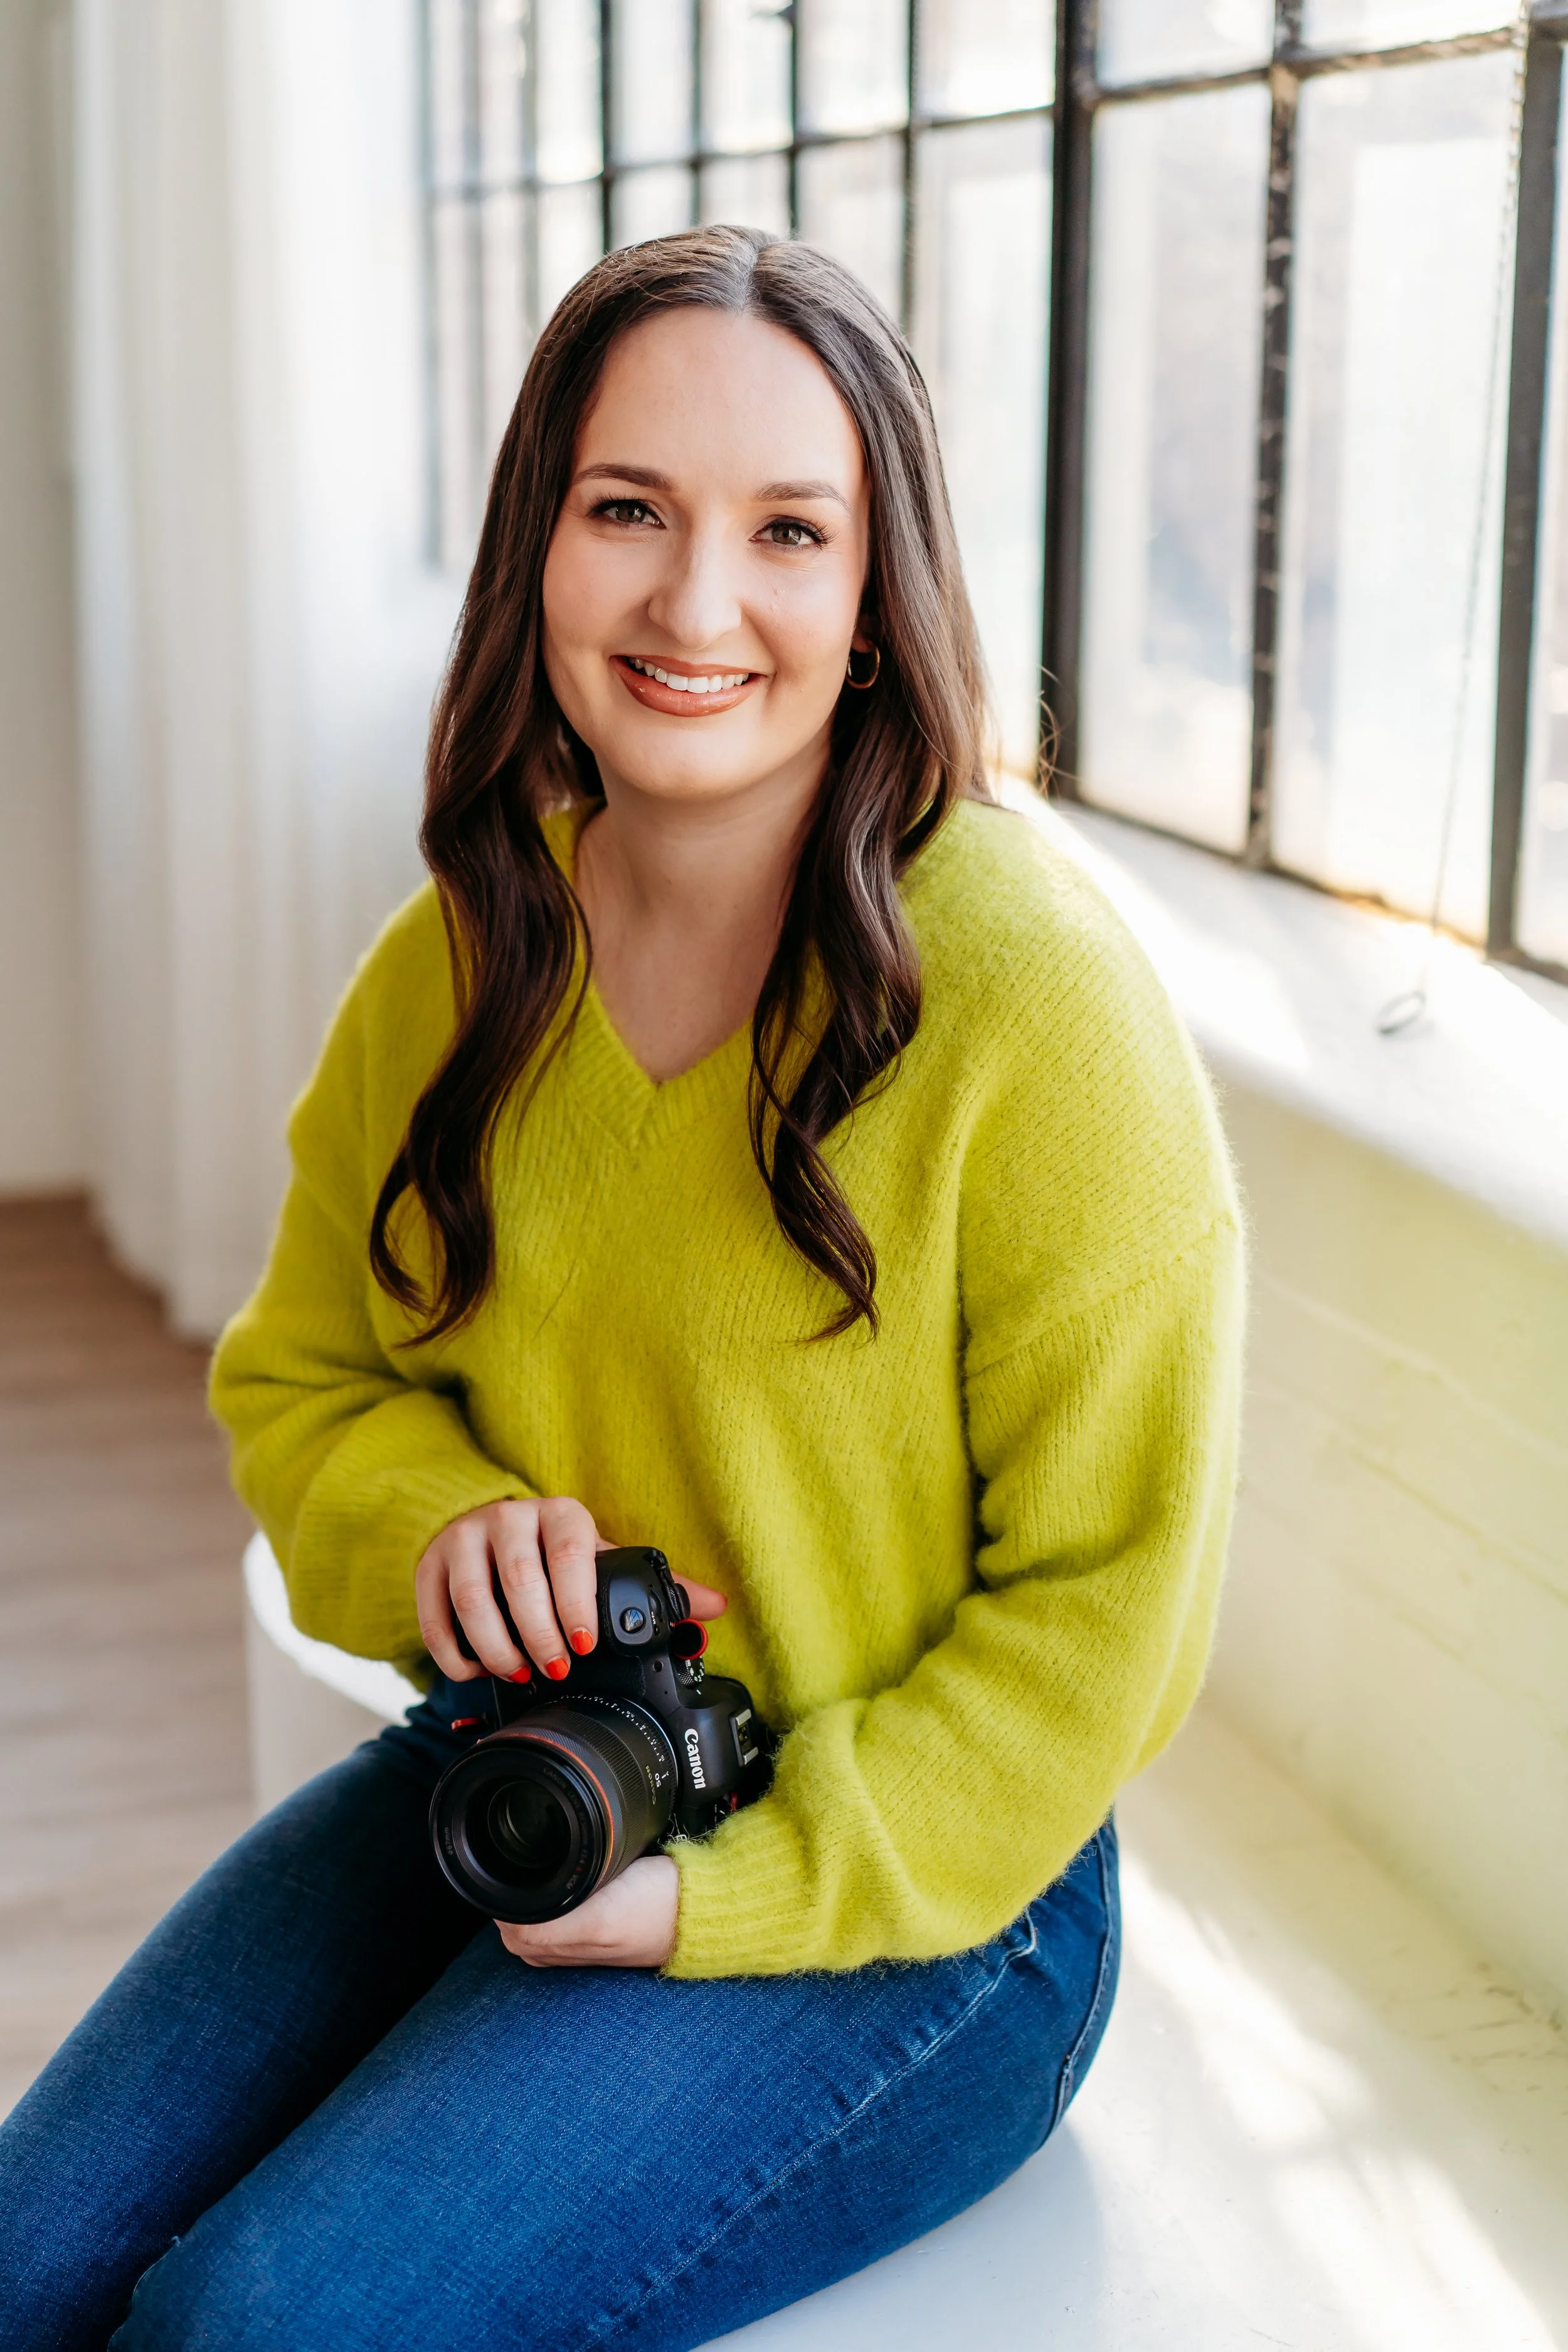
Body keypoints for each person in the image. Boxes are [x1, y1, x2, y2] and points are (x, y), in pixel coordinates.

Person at [0, 226, 1242, 2350]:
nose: (694, 603)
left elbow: (1103, 1624)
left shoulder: (1035, 1004)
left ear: (874, 599)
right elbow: (304, 1370)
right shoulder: (463, 961)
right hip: (534, 1773)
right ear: (538, 546)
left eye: (787, 529)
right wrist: (432, 1533)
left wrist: (727, 1892)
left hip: (933, 1910)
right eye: (626, 512)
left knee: (252, 2324)